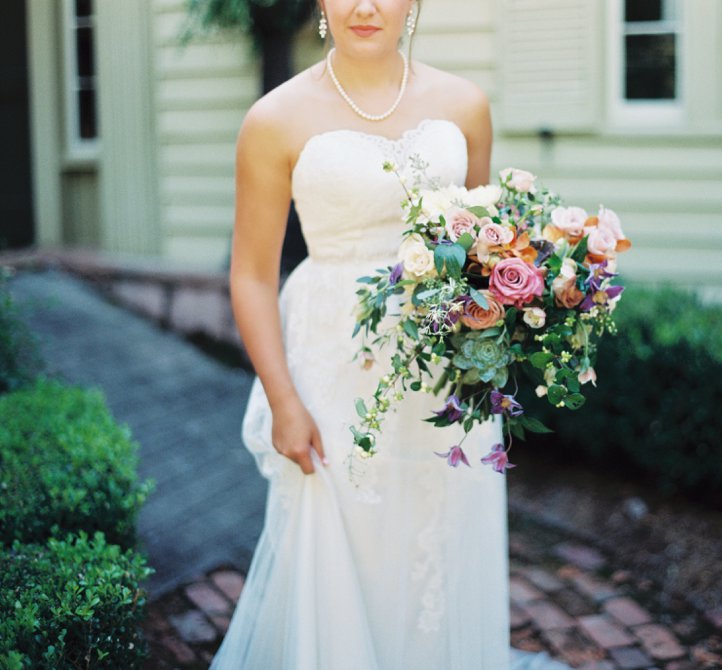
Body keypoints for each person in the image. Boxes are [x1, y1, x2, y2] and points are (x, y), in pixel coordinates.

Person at [209, 1, 569, 667]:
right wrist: (284, 401)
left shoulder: (465, 106)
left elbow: (482, 251)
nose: (365, 6)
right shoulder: (273, 120)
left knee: (438, 541)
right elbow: (252, 275)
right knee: (341, 541)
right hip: (330, 371)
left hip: (443, 376)